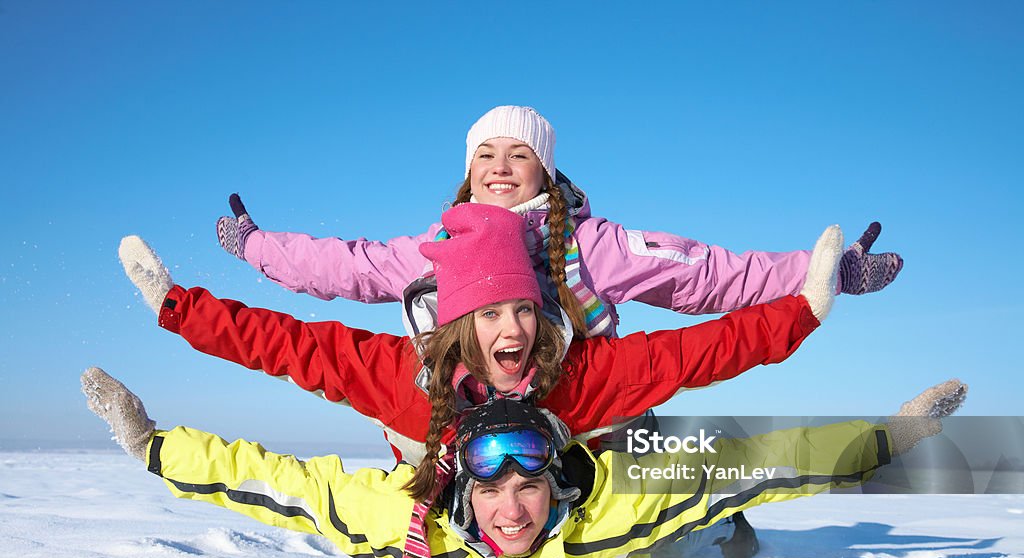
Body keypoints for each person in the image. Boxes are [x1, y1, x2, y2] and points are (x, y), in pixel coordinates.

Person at [119, 203, 841, 477]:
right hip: (448, 524)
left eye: (524, 311)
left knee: (669, 468)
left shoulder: (578, 376)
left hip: (563, 531)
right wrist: (180, 307)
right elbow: (292, 346)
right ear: (461, 323)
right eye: (492, 315)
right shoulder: (408, 380)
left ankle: (727, 523)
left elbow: (696, 353)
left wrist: (802, 308)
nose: (514, 329)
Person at [81, 371, 967, 558]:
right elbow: (276, 481)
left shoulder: (610, 505)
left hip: (648, 514)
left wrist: (889, 436)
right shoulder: (403, 521)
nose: (512, 509)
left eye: (529, 488)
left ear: (555, 486)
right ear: (463, 489)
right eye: (494, 488)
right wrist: (156, 446)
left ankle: (715, 535)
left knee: (699, 503)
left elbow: (764, 462)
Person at [214, 105, 904, 341]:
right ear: (468, 170)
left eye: (520, 154)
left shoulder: (591, 244)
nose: (501, 165)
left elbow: (706, 273)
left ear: (545, 171)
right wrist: (258, 247)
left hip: (582, 407)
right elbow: (348, 264)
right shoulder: (440, 246)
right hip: (467, 415)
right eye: (486, 154)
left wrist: (828, 274)